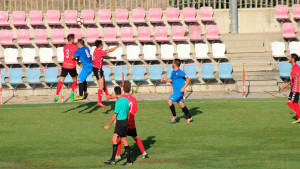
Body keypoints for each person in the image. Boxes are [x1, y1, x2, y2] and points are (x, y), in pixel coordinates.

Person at [115, 82, 148, 159]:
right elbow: (135, 111)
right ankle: (144, 152)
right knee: (135, 137)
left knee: (119, 137)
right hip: (131, 121)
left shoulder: (121, 99)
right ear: (130, 90)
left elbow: (118, 111)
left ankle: (118, 154)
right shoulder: (133, 99)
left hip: (123, 121)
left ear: (123, 89)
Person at [103, 86, 133, 166]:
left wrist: (108, 125)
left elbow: (114, 115)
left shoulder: (118, 102)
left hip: (120, 123)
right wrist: (127, 121)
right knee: (114, 139)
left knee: (124, 141)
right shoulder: (126, 100)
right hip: (123, 122)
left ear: (115, 93)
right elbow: (129, 112)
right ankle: (112, 159)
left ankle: (129, 161)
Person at [161, 59, 194, 123]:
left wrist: (183, 87)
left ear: (175, 64)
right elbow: (170, 80)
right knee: (181, 105)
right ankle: (190, 117)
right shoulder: (173, 72)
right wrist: (164, 80)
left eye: (172, 63)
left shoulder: (180, 72)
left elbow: (188, 79)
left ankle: (174, 116)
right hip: (176, 91)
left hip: (179, 92)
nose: (172, 64)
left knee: (169, 101)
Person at [92, 40, 122, 107]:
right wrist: (117, 47)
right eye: (102, 45)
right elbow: (109, 50)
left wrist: (111, 57)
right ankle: (99, 102)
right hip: (97, 69)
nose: (103, 45)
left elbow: (103, 56)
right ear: (100, 45)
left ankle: (107, 95)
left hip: (98, 69)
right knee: (101, 86)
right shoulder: (99, 51)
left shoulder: (96, 50)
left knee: (104, 82)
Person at [54, 34, 78, 102]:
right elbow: (76, 55)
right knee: (75, 80)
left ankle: (56, 95)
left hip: (65, 65)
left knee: (61, 81)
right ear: (72, 39)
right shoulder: (75, 47)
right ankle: (72, 92)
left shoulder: (65, 47)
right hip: (72, 66)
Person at [282, 53, 300, 123]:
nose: (288, 59)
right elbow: (293, 79)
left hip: (295, 89)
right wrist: (287, 84)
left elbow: (298, 79)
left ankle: (299, 115)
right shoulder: (293, 67)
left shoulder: (296, 68)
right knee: (294, 103)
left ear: (293, 59)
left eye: (289, 57)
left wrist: (297, 89)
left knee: (290, 102)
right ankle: (298, 117)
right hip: (293, 89)